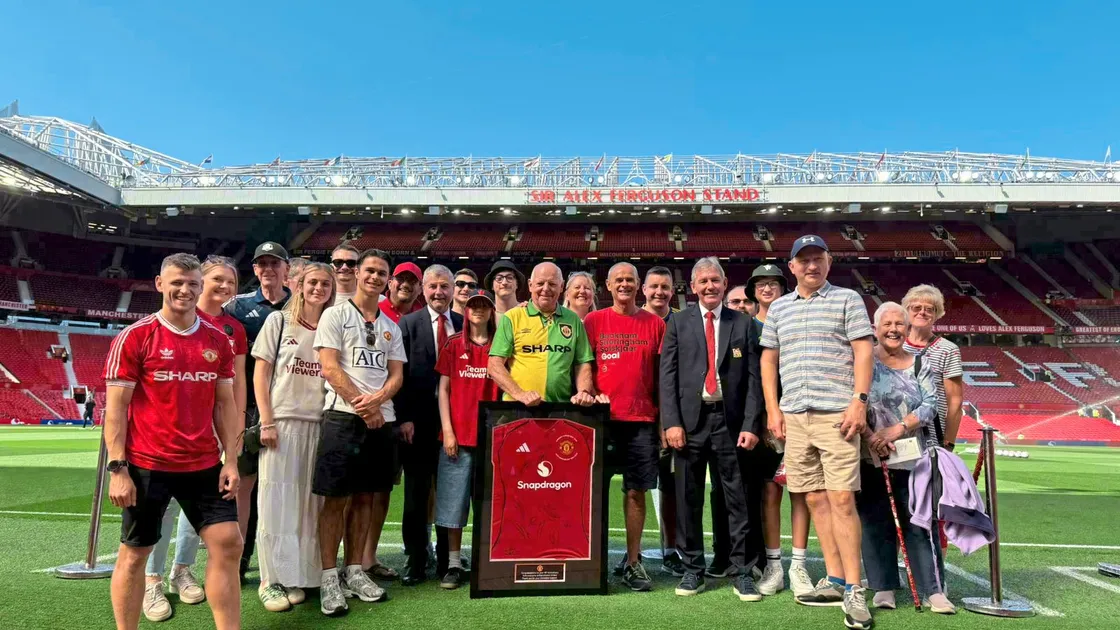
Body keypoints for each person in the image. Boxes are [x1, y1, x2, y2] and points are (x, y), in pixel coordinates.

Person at [104, 253, 242, 630]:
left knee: (228, 542)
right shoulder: (136, 336)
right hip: (148, 465)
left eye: (192, 284)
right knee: (135, 554)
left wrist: (231, 460)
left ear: (201, 287)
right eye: (177, 282)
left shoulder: (217, 339)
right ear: (160, 283)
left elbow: (225, 404)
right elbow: (116, 409)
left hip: (204, 463)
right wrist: (118, 469)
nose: (185, 290)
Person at [760, 235, 874, 630]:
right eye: (804, 260)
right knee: (813, 498)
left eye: (818, 259)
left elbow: (863, 350)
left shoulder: (847, 300)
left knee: (842, 498)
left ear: (829, 262)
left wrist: (859, 401)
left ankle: (855, 589)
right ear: (792, 266)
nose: (811, 266)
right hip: (794, 416)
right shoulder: (779, 308)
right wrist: (773, 409)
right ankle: (835, 578)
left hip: (836, 415)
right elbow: (769, 359)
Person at [141, 256, 248, 621]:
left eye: (231, 281)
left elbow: (235, 387)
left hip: (212, 432)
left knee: (198, 511)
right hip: (165, 437)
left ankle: (182, 570)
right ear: (202, 281)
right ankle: (152, 578)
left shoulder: (232, 329)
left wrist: (235, 433)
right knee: (164, 508)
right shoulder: (176, 318)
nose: (224, 286)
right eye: (217, 279)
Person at [660, 256, 764, 601]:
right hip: (690, 423)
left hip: (730, 422)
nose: (709, 286)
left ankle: (742, 570)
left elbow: (753, 380)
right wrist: (672, 422)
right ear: (692, 287)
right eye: (703, 281)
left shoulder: (743, 323)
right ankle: (693, 569)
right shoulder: (678, 322)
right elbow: (667, 376)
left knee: (737, 498)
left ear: (724, 283)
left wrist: (751, 424)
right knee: (687, 497)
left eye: (715, 280)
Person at [312, 248, 404, 616]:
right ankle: (328, 577)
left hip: (382, 421)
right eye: (370, 270)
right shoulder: (334, 315)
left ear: (388, 280)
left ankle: (354, 570)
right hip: (342, 417)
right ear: (357, 273)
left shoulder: (391, 326)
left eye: (382, 273)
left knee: (366, 498)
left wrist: (378, 401)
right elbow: (329, 366)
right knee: (335, 500)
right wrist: (363, 405)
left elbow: (396, 374)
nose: (374, 277)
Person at [859, 302, 954, 614]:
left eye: (899, 324)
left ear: (907, 328)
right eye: (887, 324)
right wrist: (872, 438)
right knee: (876, 522)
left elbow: (930, 404)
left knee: (920, 523)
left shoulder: (919, 363)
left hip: (915, 458)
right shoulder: (863, 362)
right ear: (875, 328)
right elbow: (853, 402)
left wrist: (896, 429)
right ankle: (883, 586)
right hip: (872, 456)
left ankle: (933, 589)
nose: (893, 330)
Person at [253, 262, 335, 612]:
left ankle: (298, 574)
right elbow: (261, 374)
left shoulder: (332, 327)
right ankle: (270, 580)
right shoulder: (279, 321)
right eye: (312, 282)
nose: (318, 288)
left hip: (319, 423)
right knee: (276, 502)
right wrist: (266, 421)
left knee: (308, 505)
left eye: (325, 284)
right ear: (299, 285)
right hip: (282, 422)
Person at [584, 262, 665, 592]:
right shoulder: (593, 321)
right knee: (593, 494)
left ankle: (633, 561)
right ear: (607, 284)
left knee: (636, 492)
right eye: (618, 279)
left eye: (630, 280)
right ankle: (590, 560)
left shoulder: (655, 324)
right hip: (601, 422)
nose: (624, 284)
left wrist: (663, 423)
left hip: (642, 421)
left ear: (639, 285)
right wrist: (590, 393)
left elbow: (661, 377)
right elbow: (583, 366)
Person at [742, 264, 814, 597]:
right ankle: (772, 564)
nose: (767, 288)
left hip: (800, 416)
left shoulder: (796, 320)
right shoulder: (746, 327)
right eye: (761, 284)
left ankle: (798, 565)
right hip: (762, 422)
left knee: (802, 491)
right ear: (753, 291)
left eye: (773, 283)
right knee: (768, 491)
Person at [224, 241, 290, 582]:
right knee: (244, 489)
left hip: (291, 408)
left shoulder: (302, 304)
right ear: (254, 269)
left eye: (275, 263)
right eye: (262, 264)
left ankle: (282, 562)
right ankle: (239, 559)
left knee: (285, 489)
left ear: (286, 269)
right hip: (249, 409)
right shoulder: (237, 307)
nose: (268, 269)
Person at [396, 265, 463, 586]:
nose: (439, 292)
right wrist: (404, 417)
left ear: (453, 290)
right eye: (433, 286)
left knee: (450, 491)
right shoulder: (408, 324)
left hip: (456, 423)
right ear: (423, 289)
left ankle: (448, 559)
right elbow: (398, 373)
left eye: (445, 286)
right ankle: (416, 557)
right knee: (417, 493)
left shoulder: (463, 323)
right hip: (418, 423)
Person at [434, 289, 500, 590]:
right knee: (453, 503)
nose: (478, 310)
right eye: (474, 305)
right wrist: (448, 431)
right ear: (467, 309)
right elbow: (443, 390)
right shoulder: (452, 344)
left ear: (491, 311)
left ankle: (486, 561)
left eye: (484, 306)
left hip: (492, 440)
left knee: (488, 504)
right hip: (457, 439)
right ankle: (453, 563)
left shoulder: (501, 345)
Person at [488, 262, 596, 407]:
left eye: (552, 284)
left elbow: (582, 363)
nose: (546, 289)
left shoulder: (573, 320)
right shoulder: (512, 317)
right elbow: (494, 365)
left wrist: (583, 391)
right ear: (530, 285)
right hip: (517, 408)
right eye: (540, 283)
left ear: (561, 286)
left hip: (560, 408)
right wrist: (520, 394)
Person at [640, 265, 684, 576]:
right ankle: (631, 553)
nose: (659, 292)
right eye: (653, 286)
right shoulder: (633, 320)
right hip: (637, 415)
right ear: (644, 289)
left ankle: (671, 549)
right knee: (634, 485)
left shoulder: (682, 321)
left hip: (674, 418)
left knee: (671, 486)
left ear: (673, 290)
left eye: (665, 287)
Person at [902, 285, 963, 449]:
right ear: (906, 311)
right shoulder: (894, 346)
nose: (922, 312)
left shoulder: (948, 350)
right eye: (916, 308)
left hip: (932, 438)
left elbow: (955, 401)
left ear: (937, 314)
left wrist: (949, 442)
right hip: (896, 436)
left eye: (929, 309)